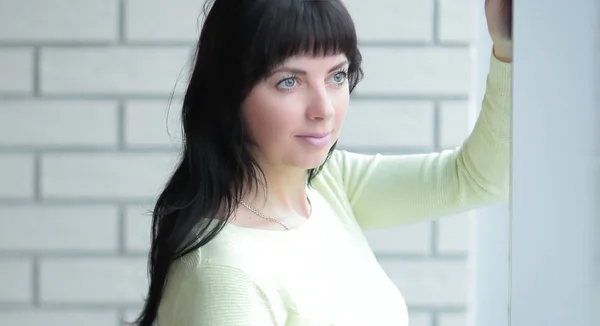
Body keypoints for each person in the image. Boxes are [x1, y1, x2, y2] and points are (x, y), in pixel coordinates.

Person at [133, 0, 513, 325]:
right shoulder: (223, 274)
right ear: (230, 92)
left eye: (337, 76)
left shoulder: (328, 184)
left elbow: (480, 179)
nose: (324, 109)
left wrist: (506, 50)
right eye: (289, 82)